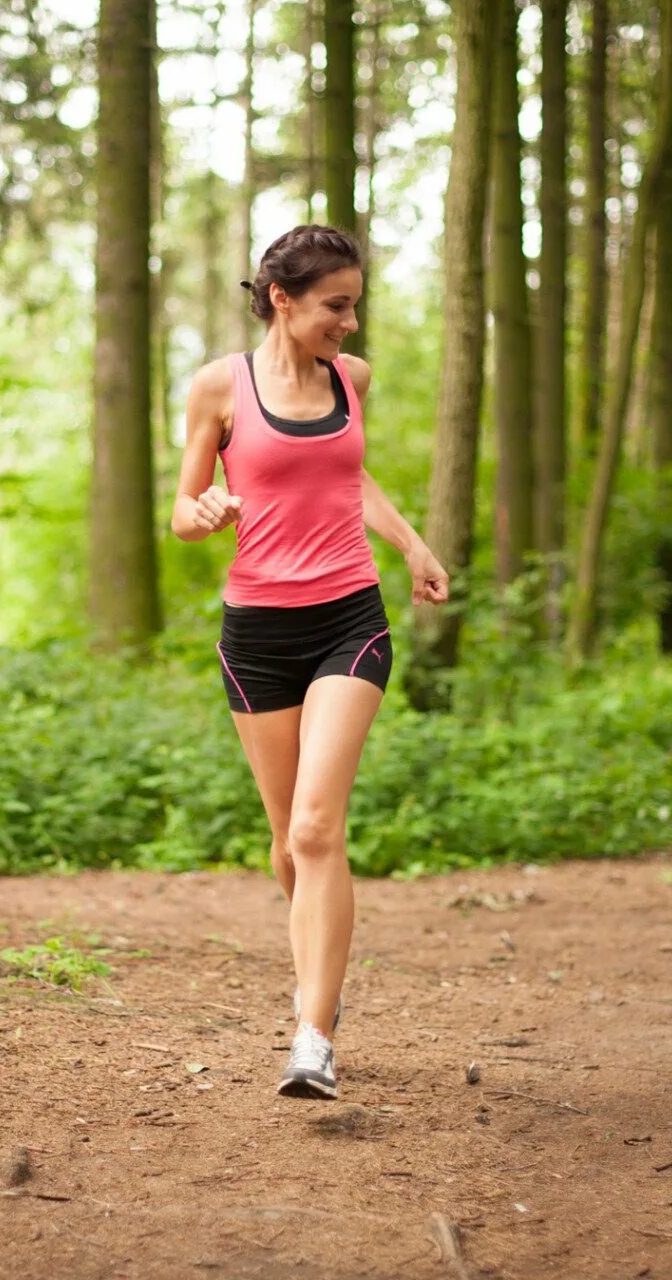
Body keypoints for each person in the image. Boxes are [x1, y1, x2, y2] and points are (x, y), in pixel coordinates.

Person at [170, 225, 448, 1100]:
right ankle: (312, 979)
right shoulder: (221, 386)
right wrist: (205, 508)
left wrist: (412, 546)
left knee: (318, 828)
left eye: (355, 304)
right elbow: (180, 507)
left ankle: (313, 1036)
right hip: (256, 635)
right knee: (288, 844)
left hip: (347, 621)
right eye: (337, 305)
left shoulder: (351, 382)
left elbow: (349, 478)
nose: (351, 325)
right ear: (282, 300)